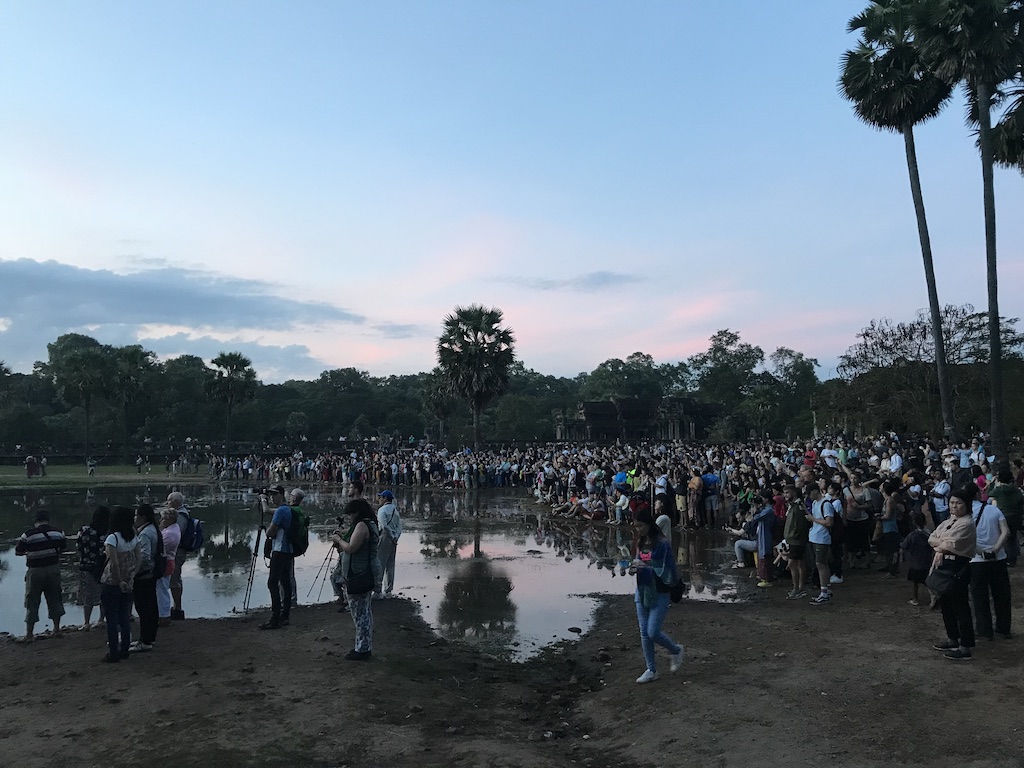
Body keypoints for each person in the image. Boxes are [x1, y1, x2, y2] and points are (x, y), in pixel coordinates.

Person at [629, 508, 684, 683]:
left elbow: (668, 571)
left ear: (648, 523)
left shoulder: (662, 543)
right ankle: (651, 669)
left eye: (640, 526)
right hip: (642, 589)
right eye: (635, 526)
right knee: (644, 633)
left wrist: (646, 565)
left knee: (653, 631)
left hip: (660, 592)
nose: (638, 529)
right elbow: (638, 561)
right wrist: (633, 567)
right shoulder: (640, 542)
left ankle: (675, 650)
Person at [928, 488, 978, 661]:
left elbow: (950, 544)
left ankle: (965, 646)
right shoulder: (950, 520)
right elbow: (932, 537)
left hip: (958, 565)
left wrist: (940, 544)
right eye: (952, 502)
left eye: (958, 503)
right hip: (945, 563)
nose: (954, 506)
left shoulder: (967, 523)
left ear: (966, 505)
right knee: (946, 605)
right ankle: (953, 638)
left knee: (960, 606)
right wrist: (942, 543)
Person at [331, 498, 382, 660]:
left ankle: (362, 650)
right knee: (364, 611)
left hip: (359, 573)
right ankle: (363, 647)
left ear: (357, 512)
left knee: (359, 613)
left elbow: (352, 548)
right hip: (365, 572)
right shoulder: (370, 523)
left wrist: (338, 540)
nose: (349, 517)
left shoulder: (362, 525)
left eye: (350, 514)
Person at [14, 509, 67, 642]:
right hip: (53, 569)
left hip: (35, 571)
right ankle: (56, 629)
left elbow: (18, 551)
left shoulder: (28, 535)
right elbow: (62, 548)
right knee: (55, 598)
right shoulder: (59, 532)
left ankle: (29, 634)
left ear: (35, 520)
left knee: (32, 601)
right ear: (48, 519)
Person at [100, 506, 141, 662]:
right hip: (129, 581)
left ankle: (113, 651)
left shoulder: (113, 538)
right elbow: (139, 559)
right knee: (124, 616)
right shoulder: (133, 537)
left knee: (111, 618)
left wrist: (119, 581)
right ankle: (125, 648)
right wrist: (131, 577)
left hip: (112, 582)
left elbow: (114, 564)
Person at [969, 493, 1012, 640]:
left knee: (980, 597)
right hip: (998, 559)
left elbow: (964, 539)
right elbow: (1006, 531)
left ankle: (984, 629)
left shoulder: (965, 514)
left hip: (976, 561)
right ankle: (1004, 628)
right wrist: (995, 549)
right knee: (1002, 595)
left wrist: (981, 552)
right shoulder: (994, 510)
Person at [260, 486, 293, 630]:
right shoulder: (288, 509)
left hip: (279, 550)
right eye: (270, 495)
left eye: (274, 495)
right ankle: (284, 615)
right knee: (285, 582)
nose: (272, 498)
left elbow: (270, 532)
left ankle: (275, 617)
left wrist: (267, 530)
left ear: (281, 494)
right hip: (288, 550)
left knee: (272, 583)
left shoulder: (280, 511)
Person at [130, 504, 161, 651]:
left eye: (136, 515)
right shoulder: (153, 530)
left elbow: (145, 556)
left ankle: (145, 641)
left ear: (143, 517)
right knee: (151, 607)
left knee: (144, 609)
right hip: (151, 575)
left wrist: (134, 570)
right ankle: (149, 638)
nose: (135, 518)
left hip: (144, 576)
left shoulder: (144, 534)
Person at [77, 506, 110, 630]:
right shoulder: (108, 533)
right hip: (104, 566)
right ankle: (101, 619)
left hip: (87, 566)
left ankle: (86, 622)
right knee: (103, 593)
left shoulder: (84, 531)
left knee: (87, 595)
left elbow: (79, 546)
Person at [806, 483, 835, 605]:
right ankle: (826, 589)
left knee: (820, 564)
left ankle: (824, 592)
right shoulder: (814, 503)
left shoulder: (826, 504)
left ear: (814, 491)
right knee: (822, 564)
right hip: (815, 537)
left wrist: (813, 519)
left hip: (822, 538)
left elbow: (829, 522)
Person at [988, 469, 1022, 567]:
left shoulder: (999, 490)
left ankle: (1007, 557)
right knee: (1013, 537)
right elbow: (1020, 500)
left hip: (1003, 516)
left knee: (1004, 537)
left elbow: (990, 493)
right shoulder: (1016, 490)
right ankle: (1014, 558)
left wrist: (992, 484)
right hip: (1015, 516)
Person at [782, 481, 809, 600]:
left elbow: (799, 525)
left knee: (792, 564)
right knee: (800, 563)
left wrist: (793, 537)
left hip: (796, 540)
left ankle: (797, 589)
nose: (785, 495)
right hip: (794, 539)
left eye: (787, 492)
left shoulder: (798, 506)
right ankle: (799, 587)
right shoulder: (793, 506)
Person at [374, 490, 402, 600]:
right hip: (393, 539)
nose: (379, 499)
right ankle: (388, 590)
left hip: (385, 537)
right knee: (390, 565)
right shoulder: (395, 510)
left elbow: (384, 525)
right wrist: (395, 537)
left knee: (380, 564)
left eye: (381, 497)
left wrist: (391, 535)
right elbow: (399, 527)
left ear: (385, 498)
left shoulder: (382, 510)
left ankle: (377, 591)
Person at [901, 512, 932, 606]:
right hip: (927, 561)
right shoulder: (929, 533)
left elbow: (905, 545)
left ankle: (915, 599)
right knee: (928, 582)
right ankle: (933, 597)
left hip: (915, 562)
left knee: (915, 583)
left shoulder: (912, 535)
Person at [166, 491, 189, 620]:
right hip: (177, 552)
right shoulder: (182, 513)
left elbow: (176, 535)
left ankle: (177, 609)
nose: (167, 503)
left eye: (168, 501)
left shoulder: (180, 516)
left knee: (174, 579)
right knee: (176, 579)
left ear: (175, 502)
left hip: (177, 552)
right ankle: (176, 608)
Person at [157, 508, 181, 627]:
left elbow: (160, 548)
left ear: (169, 519)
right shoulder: (174, 529)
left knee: (161, 590)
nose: (161, 520)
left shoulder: (169, 534)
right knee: (163, 589)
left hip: (165, 563)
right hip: (170, 562)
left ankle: (163, 615)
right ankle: (163, 614)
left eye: (163, 518)